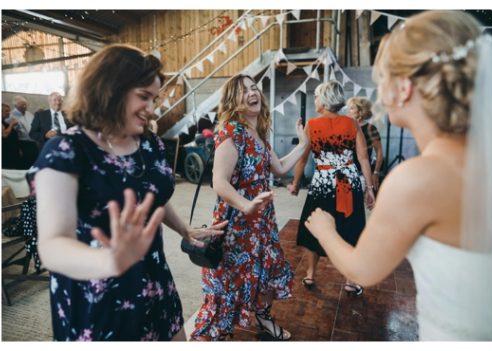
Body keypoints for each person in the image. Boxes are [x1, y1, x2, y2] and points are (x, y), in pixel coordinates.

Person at [304, 10, 492, 340]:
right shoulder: (489, 156)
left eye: (383, 79)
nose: (380, 91)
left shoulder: (416, 180)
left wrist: (324, 231)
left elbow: (363, 270)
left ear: (404, 87)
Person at [27, 44, 225, 341]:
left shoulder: (150, 144)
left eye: (154, 98)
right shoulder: (67, 150)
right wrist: (110, 262)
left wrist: (185, 230)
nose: (152, 107)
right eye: (143, 96)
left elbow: (152, 197)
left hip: (152, 274)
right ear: (110, 89)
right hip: (95, 290)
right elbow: (53, 245)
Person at [191, 74, 310, 341]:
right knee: (229, 282)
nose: (251, 92)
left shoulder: (259, 134)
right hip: (237, 223)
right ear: (233, 100)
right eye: (243, 90)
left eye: (254, 87)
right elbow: (219, 182)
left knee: (268, 270)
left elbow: (279, 169)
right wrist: (247, 205)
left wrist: (303, 144)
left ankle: (263, 318)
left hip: (262, 221)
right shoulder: (232, 132)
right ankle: (215, 334)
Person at [288, 81, 375, 295]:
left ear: (325, 100)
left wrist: (296, 183)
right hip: (349, 183)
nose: (315, 101)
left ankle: (310, 274)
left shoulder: (312, 125)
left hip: (322, 185)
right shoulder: (352, 124)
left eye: (317, 96)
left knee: (316, 227)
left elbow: (302, 160)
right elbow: (363, 158)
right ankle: (350, 280)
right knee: (350, 229)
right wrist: (370, 188)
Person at [348, 96, 384, 187]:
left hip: (362, 175)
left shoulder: (370, 129)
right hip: (345, 173)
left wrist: (376, 173)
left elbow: (379, 152)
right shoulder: (346, 126)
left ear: (360, 111)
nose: (348, 111)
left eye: (352, 108)